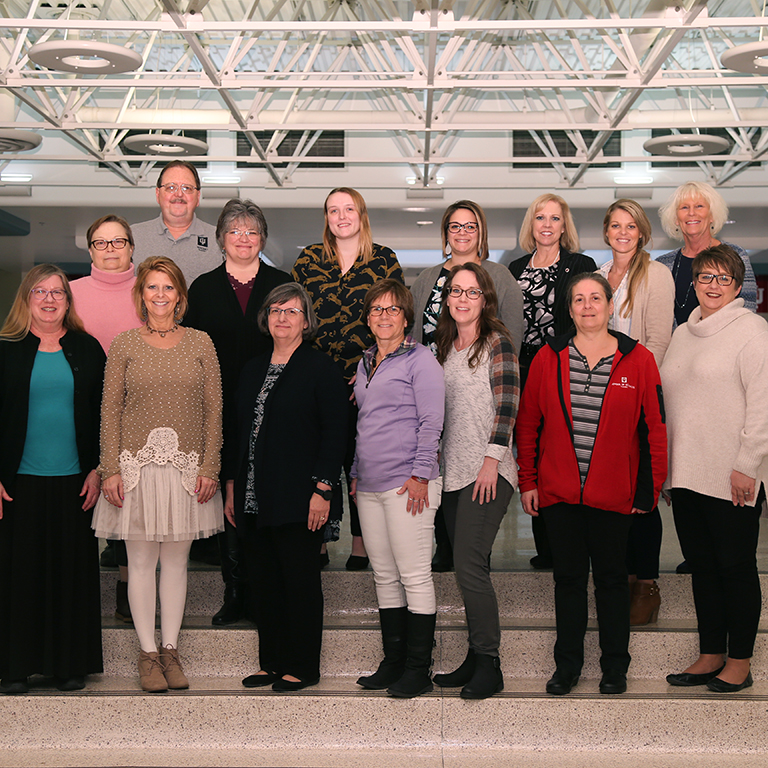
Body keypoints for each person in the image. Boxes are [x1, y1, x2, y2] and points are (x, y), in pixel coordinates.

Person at [516, 273, 667, 697]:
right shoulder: (549, 356)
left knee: (612, 581)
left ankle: (614, 667)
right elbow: (528, 423)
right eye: (579, 299)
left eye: (595, 298)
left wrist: (649, 490)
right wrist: (529, 481)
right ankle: (567, 666)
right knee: (567, 581)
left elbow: (655, 429)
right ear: (569, 308)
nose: (587, 306)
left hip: (612, 494)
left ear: (609, 304)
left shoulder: (638, 360)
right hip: (559, 494)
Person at [91, 256, 223, 693]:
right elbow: (109, 410)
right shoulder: (125, 344)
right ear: (141, 294)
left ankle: (171, 650)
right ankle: (147, 653)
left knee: (177, 563)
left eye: (168, 288)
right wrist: (110, 467)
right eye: (152, 288)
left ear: (180, 295)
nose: (160, 295)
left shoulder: (201, 342)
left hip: (188, 472)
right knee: (141, 563)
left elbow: (213, 410)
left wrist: (210, 465)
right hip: (136, 469)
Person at [224, 283, 347, 692]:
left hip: (300, 495)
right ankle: (272, 661)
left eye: (292, 311)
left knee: (299, 582)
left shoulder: (321, 368)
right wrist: (231, 486)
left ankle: (303, 665)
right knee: (263, 581)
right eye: (276, 310)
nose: (282, 317)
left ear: (306, 321)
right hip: (252, 494)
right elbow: (238, 430)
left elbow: (336, 433)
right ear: (266, 318)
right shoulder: (253, 367)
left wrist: (324, 489)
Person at [662, 245, 768, 694]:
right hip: (686, 473)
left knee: (736, 567)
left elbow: (763, 406)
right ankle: (710, 654)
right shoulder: (684, 333)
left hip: (732, 476)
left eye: (723, 278)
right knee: (703, 567)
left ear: (738, 284)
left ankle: (739, 661)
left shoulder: (752, 330)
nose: (712, 285)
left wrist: (748, 465)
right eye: (705, 277)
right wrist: (667, 471)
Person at [185, 199, 291, 626]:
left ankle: (267, 591)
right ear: (221, 239)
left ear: (262, 239)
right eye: (235, 231)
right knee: (230, 500)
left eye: (251, 232)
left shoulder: (282, 285)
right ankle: (235, 592)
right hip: (220, 409)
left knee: (267, 495)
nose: (244, 239)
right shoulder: (203, 288)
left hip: (275, 407)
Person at [0, 265, 105, 694]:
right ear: (26, 299)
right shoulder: (5, 349)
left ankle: (68, 666)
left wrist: (100, 468)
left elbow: (105, 414)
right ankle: (15, 667)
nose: (48, 300)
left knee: (70, 576)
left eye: (57, 293)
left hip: (75, 482)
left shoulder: (87, 348)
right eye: (39, 292)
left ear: (68, 300)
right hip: (16, 483)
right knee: (18, 577)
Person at [292, 187, 404, 570]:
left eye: (348, 209)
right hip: (317, 383)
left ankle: (362, 547)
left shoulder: (383, 260)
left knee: (361, 464)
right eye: (333, 210)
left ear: (361, 214)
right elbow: (296, 318)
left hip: (366, 383)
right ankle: (318, 543)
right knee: (318, 461)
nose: (341, 216)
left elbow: (394, 320)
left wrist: (371, 373)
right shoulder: (309, 260)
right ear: (326, 217)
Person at [411, 200, 524, 574]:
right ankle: (447, 549)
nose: (462, 232)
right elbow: (413, 336)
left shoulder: (498, 275)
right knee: (442, 468)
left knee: (469, 479)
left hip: (478, 384)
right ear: (445, 234)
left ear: (481, 232)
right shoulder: (428, 278)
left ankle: (471, 554)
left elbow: (510, 334)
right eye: (454, 226)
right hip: (434, 389)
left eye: (470, 226)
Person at [351, 279, 444, 698]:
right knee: (384, 576)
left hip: (409, 484)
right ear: (368, 318)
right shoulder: (365, 361)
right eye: (376, 309)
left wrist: (422, 474)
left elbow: (432, 421)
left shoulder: (420, 360)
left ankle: (417, 668)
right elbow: (364, 424)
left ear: (406, 317)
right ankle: (393, 661)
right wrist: (355, 471)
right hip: (369, 485)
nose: (383, 316)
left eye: (392, 309)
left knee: (414, 576)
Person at [432, 262, 519, 700]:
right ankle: (474, 655)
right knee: (468, 569)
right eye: (455, 291)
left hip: (487, 471)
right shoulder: (442, 346)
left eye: (472, 292)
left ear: (485, 300)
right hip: (451, 473)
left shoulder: (496, 344)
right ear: (447, 299)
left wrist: (491, 460)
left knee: (468, 565)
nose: (462, 299)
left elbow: (507, 408)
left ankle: (490, 663)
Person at [508, 193, 596, 571]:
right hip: (524, 372)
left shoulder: (580, 264)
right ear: (532, 224)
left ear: (564, 226)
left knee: (566, 454)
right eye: (540, 218)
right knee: (533, 453)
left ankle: (574, 545)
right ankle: (546, 546)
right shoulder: (514, 267)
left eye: (555, 219)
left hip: (565, 370)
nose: (547, 224)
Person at [598, 199, 675, 626]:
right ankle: (620, 580)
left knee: (641, 497)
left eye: (630, 226)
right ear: (606, 231)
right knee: (611, 496)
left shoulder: (657, 274)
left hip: (640, 398)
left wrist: (638, 393)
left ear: (642, 232)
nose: (622, 233)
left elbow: (659, 342)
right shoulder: (596, 276)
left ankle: (645, 583)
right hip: (601, 402)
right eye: (615, 226)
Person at [71, 213, 142, 623]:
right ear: (91, 249)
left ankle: (126, 585)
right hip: (80, 408)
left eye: (118, 242)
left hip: (137, 409)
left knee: (130, 501)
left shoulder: (148, 290)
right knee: (86, 492)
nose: (111, 250)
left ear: (131, 247)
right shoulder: (73, 292)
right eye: (102, 242)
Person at [657, 181, 757, 326]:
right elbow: (659, 317)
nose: (692, 213)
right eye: (684, 207)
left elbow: (748, 308)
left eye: (699, 206)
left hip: (725, 344)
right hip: (678, 345)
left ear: (712, 215)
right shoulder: (663, 264)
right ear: (676, 219)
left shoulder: (735, 254)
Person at [132, 160, 218, 285]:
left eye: (187, 188)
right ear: (158, 194)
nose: (178, 194)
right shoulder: (132, 237)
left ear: (197, 197)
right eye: (171, 187)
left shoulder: (219, 240)